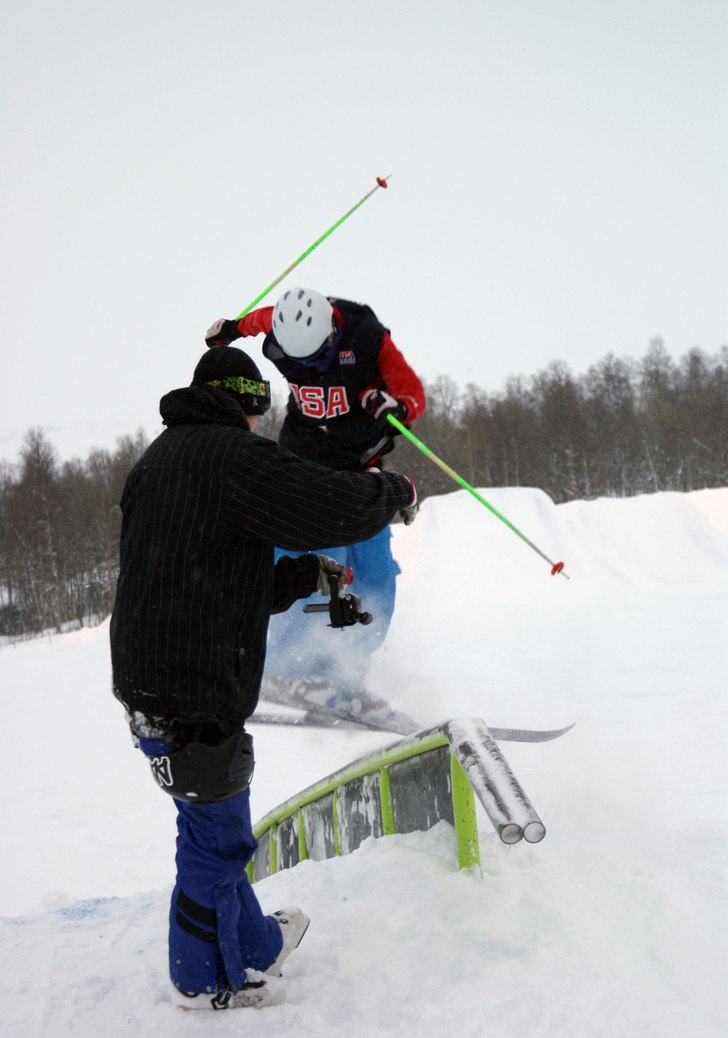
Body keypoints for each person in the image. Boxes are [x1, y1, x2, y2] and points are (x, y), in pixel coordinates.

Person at [109, 344, 417, 1011]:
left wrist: (300, 576)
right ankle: (201, 983)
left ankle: (256, 944)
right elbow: (325, 502)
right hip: (192, 687)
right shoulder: (232, 455)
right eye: (260, 411)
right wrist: (393, 492)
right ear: (246, 402)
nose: (260, 424)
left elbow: (208, 579)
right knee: (216, 845)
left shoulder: (159, 460)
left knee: (209, 827)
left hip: (154, 677)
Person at [205, 288, 426, 714]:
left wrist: (396, 405)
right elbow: (257, 320)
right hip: (304, 466)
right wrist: (230, 330)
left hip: (360, 471)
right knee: (314, 565)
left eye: (318, 357)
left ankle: (345, 677)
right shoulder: (280, 331)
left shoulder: (366, 336)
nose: (310, 367)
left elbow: (412, 393)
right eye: (299, 361)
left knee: (376, 578)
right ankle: (290, 669)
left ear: (331, 334)